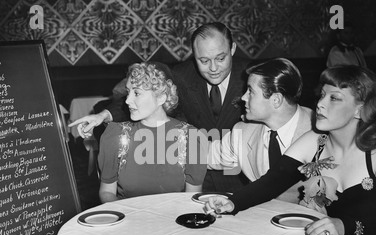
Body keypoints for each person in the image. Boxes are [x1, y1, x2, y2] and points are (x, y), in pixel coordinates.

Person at [205, 65, 376, 235]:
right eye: (322, 95)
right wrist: (232, 203)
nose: (321, 104)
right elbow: (270, 184)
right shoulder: (314, 141)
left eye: (334, 98)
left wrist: (345, 225)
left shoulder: (373, 151)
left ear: (360, 109)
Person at [69, 22, 251, 193]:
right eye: (203, 60)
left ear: (232, 49)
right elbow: (141, 93)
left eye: (220, 58)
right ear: (194, 56)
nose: (213, 68)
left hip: (243, 181)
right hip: (197, 182)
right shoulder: (184, 75)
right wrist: (102, 115)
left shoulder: (252, 77)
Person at [98, 62, 207, 202]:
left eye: (136, 93)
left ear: (161, 97)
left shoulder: (190, 138)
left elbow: (191, 198)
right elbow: (107, 192)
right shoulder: (116, 135)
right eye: (128, 92)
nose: (127, 101)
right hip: (128, 219)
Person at [208, 58, 313, 204]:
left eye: (250, 91)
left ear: (276, 100)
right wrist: (166, 129)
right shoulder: (244, 131)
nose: (243, 97)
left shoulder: (321, 133)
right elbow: (202, 155)